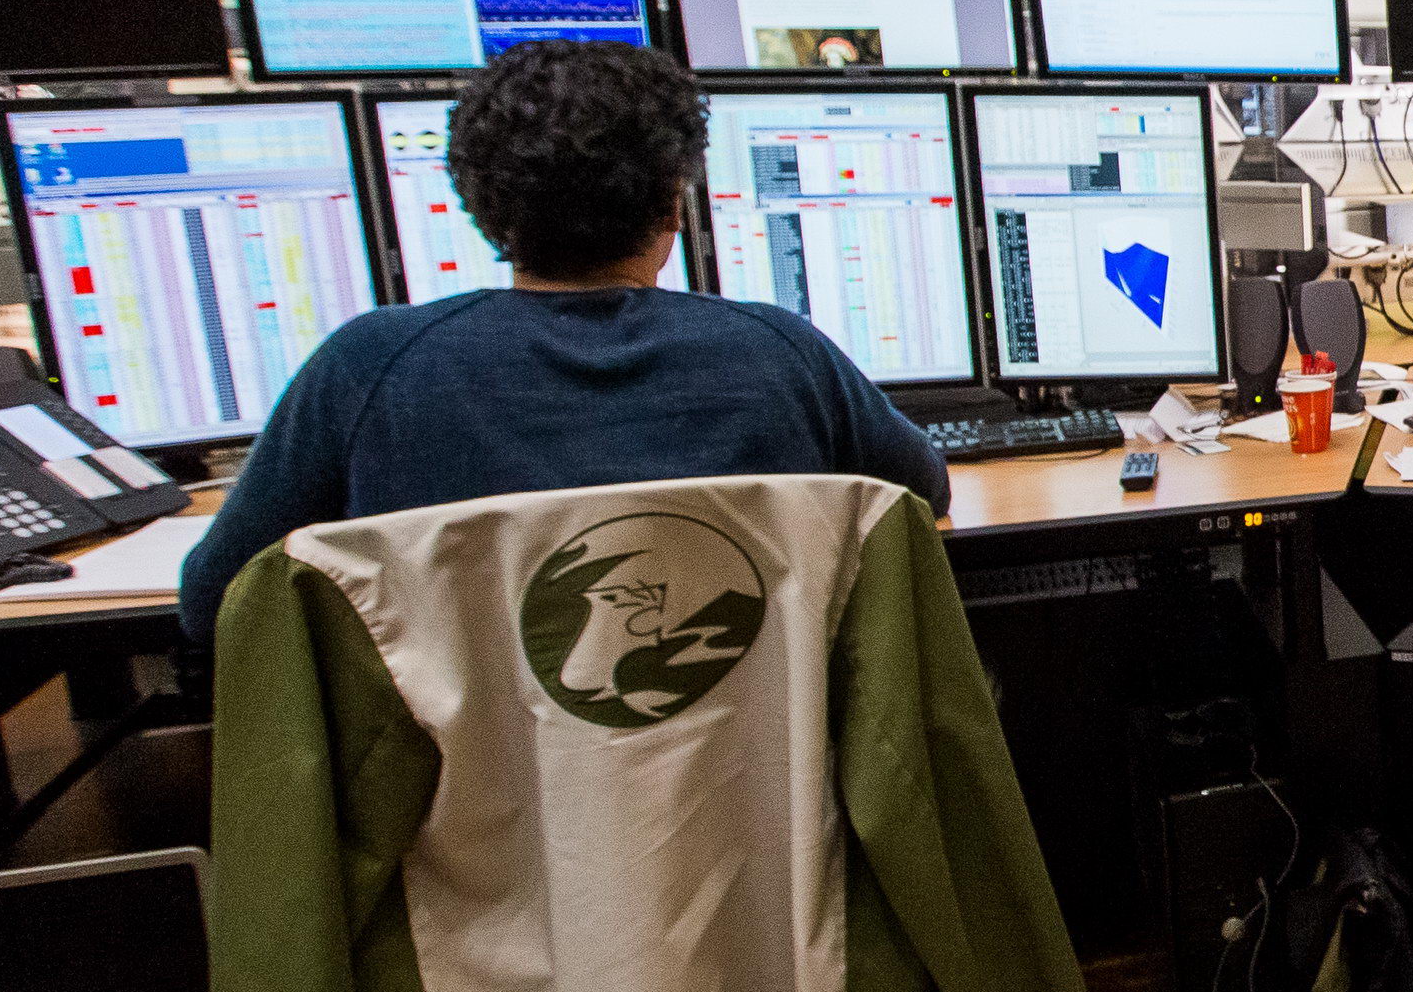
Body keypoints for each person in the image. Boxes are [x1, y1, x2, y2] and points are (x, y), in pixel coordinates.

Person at [177, 39, 948, 638]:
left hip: (460, 795)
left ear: (479, 208)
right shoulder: (780, 351)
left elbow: (218, 601)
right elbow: (921, 495)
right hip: (768, 789)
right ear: (674, 204)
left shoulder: (368, 367)